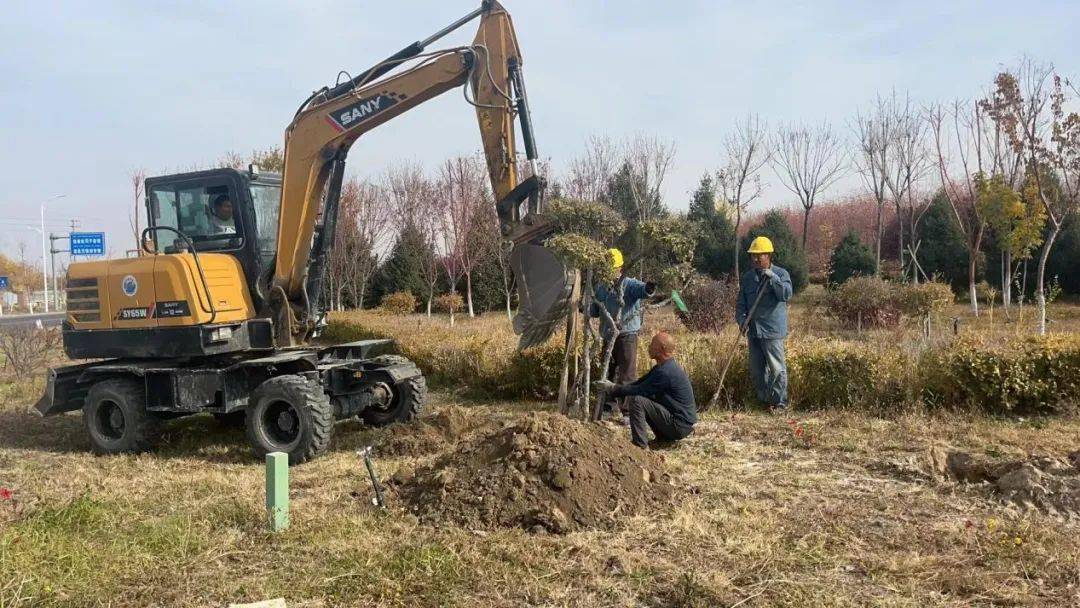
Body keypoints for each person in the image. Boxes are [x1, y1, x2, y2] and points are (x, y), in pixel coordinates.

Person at [595, 332, 697, 448]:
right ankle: (663, 438)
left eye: (652, 345)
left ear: (661, 349)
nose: (649, 347)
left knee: (638, 401)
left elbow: (640, 390)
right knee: (643, 399)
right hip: (678, 423)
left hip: (678, 425)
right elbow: (638, 384)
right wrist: (613, 387)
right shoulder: (662, 368)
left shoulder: (665, 372)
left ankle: (640, 446)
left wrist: (612, 388)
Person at [590, 248, 656, 418]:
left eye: (611, 268)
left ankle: (628, 410)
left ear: (620, 268)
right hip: (608, 335)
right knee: (608, 372)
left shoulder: (628, 283)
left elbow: (642, 290)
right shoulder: (601, 286)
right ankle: (608, 407)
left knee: (627, 374)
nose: (608, 271)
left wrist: (648, 288)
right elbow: (595, 310)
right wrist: (584, 307)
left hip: (627, 335)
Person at [737, 236, 793, 412]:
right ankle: (763, 401)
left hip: (772, 330)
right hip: (754, 331)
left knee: (777, 369)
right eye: (753, 256)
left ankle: (779, 403)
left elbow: (786, 294)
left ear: (768, 255)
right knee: (757, 370)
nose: (755, 259)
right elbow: (741, 303)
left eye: (759, 256)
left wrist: (773, 278)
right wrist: (741, 320)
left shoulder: (782, 274)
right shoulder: (747, 278)